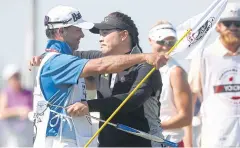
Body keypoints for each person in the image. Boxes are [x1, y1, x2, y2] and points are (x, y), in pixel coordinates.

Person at [32, 6, 168, 148]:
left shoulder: (146, 66)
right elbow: (66, 58)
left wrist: (89, 106)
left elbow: (132, 100)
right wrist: (43, 57)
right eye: (99, 34)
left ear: (123, 35)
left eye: (105, 33)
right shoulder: (99, 59)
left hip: (145, 144)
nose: (100, 39)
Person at [188, 3, 240, 147]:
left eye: (238, 23)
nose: (233, 28)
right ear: (218, 27)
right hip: (215, 139)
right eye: (228, 23)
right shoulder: (203, 56)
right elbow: (189, 105)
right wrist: (188, 144)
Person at [148, 20, 192, 147]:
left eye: (171, 42)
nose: (166, 46)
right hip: (146, 140)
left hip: (169, 141)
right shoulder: (142, 68)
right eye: (161, 42)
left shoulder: (175, 72)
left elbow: (185, 117)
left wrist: (151, 126)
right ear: (150, 40)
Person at [0, 64, 33, 147]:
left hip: (28, 135)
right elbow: (2, 113)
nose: (16, 80)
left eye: (17, 77)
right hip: (12, 136)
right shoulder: (5, 94)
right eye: (13, 78)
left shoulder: (29, 93)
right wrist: (18, 111)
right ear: (8, 80)